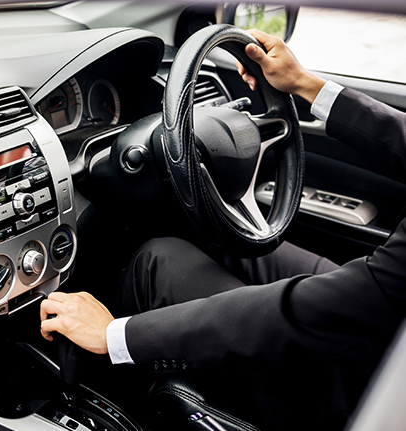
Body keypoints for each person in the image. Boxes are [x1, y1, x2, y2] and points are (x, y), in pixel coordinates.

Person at [40, 29, 406, 429]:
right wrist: (305, 85)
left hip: (371, 393)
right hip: (385, 327)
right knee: (215, 236)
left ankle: (110, 403)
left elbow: (323, 311)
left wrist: (114, 335)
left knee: (157, 260)